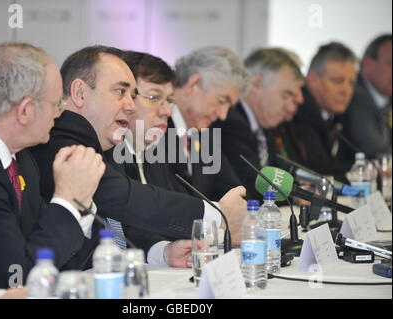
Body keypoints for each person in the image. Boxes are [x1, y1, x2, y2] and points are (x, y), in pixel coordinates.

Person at [30, 45, 247, 265]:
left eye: (133, 96)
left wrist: (162, 252)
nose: (131, 106)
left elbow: (124, 223)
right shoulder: (62, 140)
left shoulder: (103, 144)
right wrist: (218, 213)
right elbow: (124, 198)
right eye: (120, 92)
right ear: (80, 93)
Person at [0, 42, 105, 291]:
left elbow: (62, 261)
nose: (59, 114)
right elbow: (17, 279)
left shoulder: (21, 158)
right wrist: (68, 201)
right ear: (26, 110)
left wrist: (78, 205)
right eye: (56, 104)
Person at [212, 48, 305, 199]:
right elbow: (253, 184)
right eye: (286, 95)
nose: (290, 106)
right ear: (256, 84)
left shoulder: (265, 124)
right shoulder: (230, 121)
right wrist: (297, 196)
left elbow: (278, 173)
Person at [164, 46, 251, 201]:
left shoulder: (205, 136)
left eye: (228, 107)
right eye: (222, 100)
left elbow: (234, 192)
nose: (223, 115)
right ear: (193, 85)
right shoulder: (155, 126)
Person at [291, 42, 358, 183]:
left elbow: (356, 158)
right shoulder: (299, 112)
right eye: (338, 81)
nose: (346, 91)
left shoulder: (340, 114)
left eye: (351, 83)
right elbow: (319, 169)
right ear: (313, 80)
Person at [342, 34, 392, 158]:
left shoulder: (388, 98)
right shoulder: (354, 95)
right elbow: (374, 149)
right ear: (368, 65)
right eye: (391, 64)